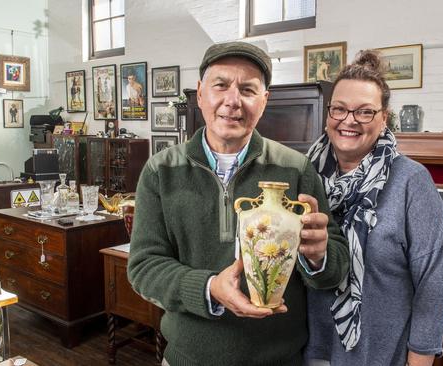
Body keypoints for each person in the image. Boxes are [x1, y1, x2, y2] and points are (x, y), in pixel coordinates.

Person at [127, 41, 349, 366]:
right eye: (221, 85)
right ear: (200, 93)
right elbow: (144, 267)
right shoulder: (161, 171)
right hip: (189, 358)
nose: (233, 101)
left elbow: (335, 266)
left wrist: (319, 257)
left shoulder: (296, 168)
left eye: (247, 89)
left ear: (264, 100)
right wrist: (209, 288)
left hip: (280, 359)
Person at [304, 50, 443, 366]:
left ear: (384, 118)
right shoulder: (305, 175)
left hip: (379, 356)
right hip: (312, 352)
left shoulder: (411, 182)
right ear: (328, 114)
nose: (349, 121)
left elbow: (433, 286)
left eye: (364, 112)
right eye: (339, 109)